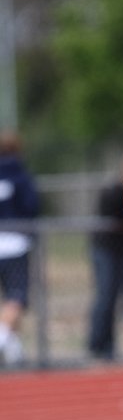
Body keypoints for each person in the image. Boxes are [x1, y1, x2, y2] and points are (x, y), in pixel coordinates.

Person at [87, 147, 123, 361]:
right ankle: (99, 344)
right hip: (106, 250)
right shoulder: (115, 190)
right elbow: (119, 221)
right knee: (106, 295)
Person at [0, 131, 40, 366]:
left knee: (10, 299)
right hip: (15, 243)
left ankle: (14, 350)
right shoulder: (20, 176)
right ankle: (4, 338)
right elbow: (31, 206)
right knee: (16, 296)